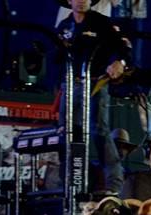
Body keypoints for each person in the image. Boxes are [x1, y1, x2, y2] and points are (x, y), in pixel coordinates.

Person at [56, 0, 132, 195]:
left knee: (99, 131)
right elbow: (55, 56)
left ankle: (115, 185)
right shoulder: (64, 26)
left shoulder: (102, 23)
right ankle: (71, 185)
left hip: (95, 83)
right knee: (68, 134)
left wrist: (119, 62)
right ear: (69, 1)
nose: (81, 0)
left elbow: (124, 48)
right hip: (69, 85)